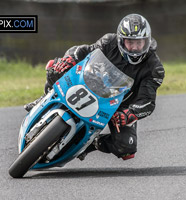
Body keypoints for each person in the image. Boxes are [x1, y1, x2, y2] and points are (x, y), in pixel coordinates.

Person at [24, 13, 165, 161]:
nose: (135, 48)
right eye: (130, 42)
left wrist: (130, 113)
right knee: (56, 68)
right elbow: (83, 51)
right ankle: (44, 99)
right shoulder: (109, 41)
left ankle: (90, 143)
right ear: (121, 40)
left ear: (147, 42)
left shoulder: (154, 68)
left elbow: (147, 101)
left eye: (139, 43)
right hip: (92, 83)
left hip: (119, 106)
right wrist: (69, 60)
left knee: (127, 148)